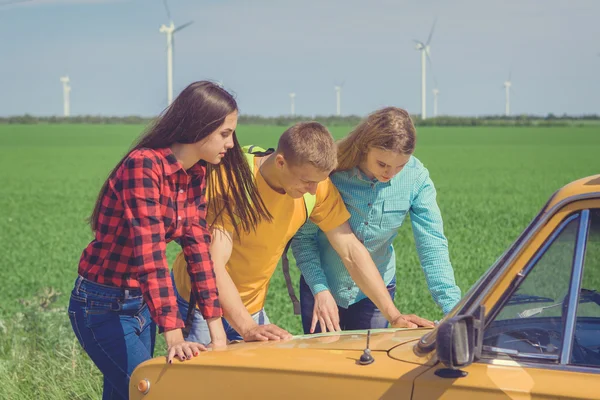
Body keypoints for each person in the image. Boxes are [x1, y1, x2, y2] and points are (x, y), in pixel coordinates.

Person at [68, 81, 271, 400]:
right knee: (156, 392)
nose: (231, 144)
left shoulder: (194, 174)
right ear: (200, 127)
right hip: (101, 305)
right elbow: (150, 258)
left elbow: (199, 254)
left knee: (126, 395)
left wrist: (217, 334)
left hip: (141, 305)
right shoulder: (143, 166)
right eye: (225, 133)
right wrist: (174, 336)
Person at [171, 121, 432, 346]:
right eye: (307, 181)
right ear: (281, 162)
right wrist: (247, 327)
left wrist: (394, 316)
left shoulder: (317, 187)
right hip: (203, 307)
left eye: (318, 182)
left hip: (253, 308)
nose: (312, 190)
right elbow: (213, 264)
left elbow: (350, 249)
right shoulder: (235, 178)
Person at [292, 107, 461, 334]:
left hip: (376, 292)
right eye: (382, 164)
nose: (390, 173)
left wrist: (454, 309)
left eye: (400, 166)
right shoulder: (331, 171)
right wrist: (319, 288)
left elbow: (432, 244)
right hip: (321, 284)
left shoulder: (416, 178)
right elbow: (304, 238)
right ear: (365, 146)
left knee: (368, 363)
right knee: (323, 364)